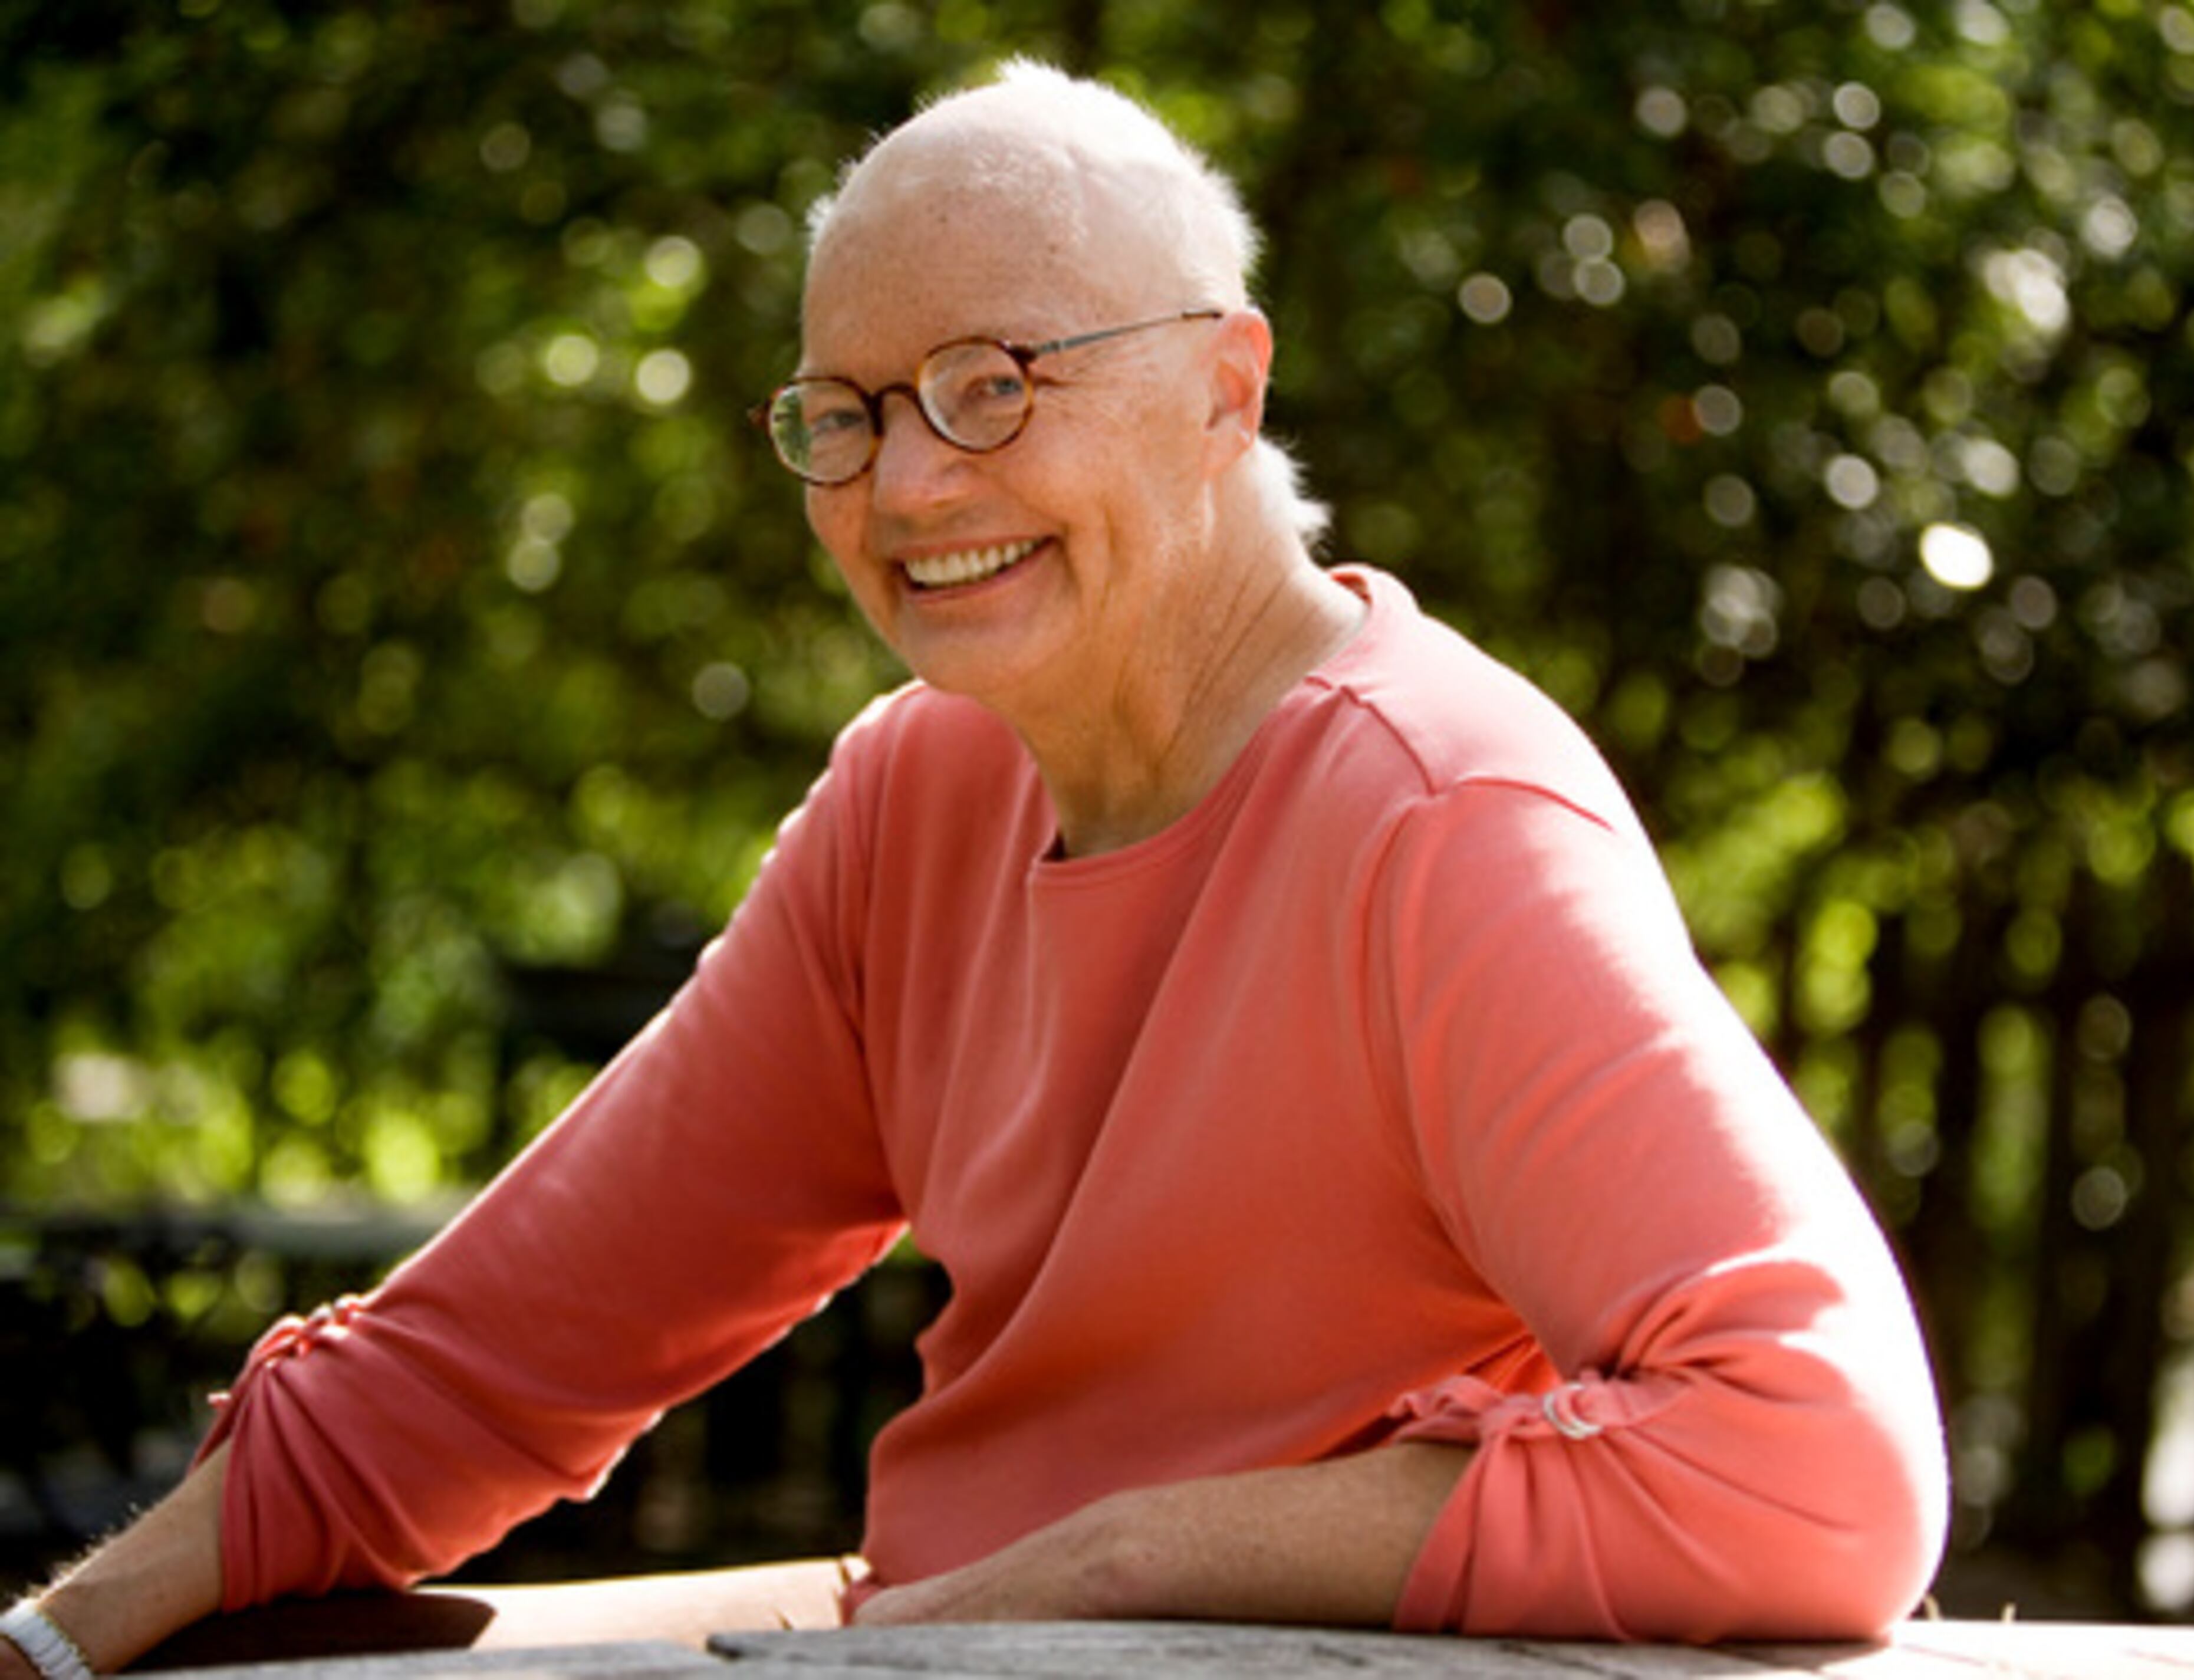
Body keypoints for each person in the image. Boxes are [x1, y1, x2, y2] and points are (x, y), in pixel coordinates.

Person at [1, 61, 1947, 1676]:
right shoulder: (913, 797)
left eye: (996, 383)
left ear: (1227, 390)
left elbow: (1822, 1463)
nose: (908, 485)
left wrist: (1104, 1562)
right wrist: (60, 1645)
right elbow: (500, 1352)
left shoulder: (1445, 818)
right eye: (842, 415)